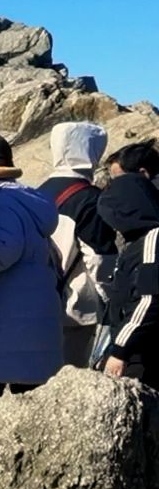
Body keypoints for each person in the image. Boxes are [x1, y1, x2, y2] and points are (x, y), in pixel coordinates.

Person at [0, 133, 64, 418]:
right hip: (29, 313)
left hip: (8, 316)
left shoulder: (0, 203)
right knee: (28, 389)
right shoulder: (22, 198)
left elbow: (2, 254)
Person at [38, 123, 116, 367]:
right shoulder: (90, 199)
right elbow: (99, 258)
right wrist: (112, 302)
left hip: (38, 299)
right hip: (77, 307)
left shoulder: (38, 191)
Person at [96, 171, 159, 383]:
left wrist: (120, 350)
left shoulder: (152, 241)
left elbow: (148, 301)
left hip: (143, 353)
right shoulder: (139, 241)